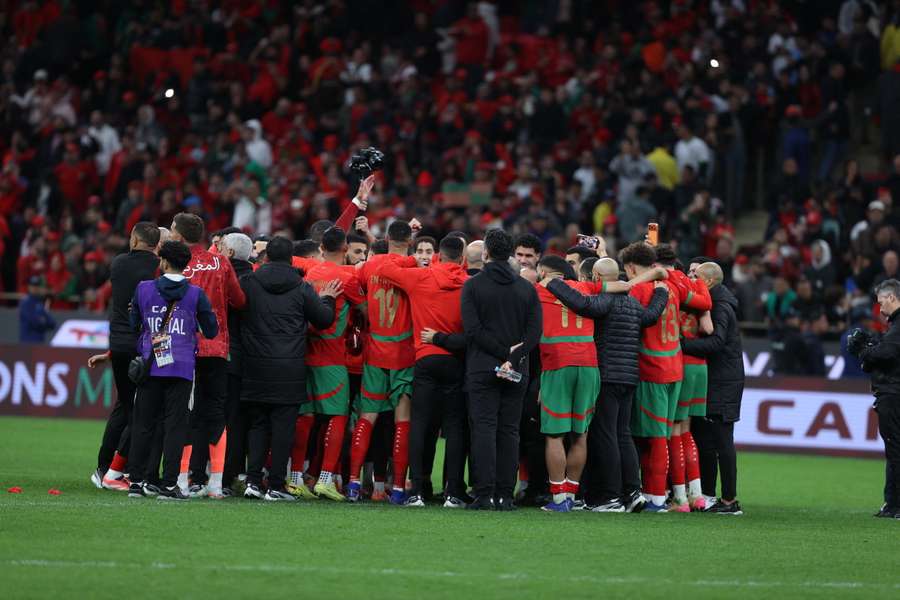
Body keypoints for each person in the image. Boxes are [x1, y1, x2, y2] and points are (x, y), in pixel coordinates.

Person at [547, 257, 668, 512]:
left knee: (606, 435)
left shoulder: (607, 300)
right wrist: (660, 295)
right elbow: (650, 317)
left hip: (607, 374)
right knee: (623, 434)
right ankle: (633, 492)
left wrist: (552, 283)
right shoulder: (633, 303)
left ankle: (610, 497)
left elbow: (584, 304)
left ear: (597, 279)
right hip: (629, 376)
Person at [239, 236, 341, 501]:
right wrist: (328, 299)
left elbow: (236, 310)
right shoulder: (301, 286)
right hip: (290, 366)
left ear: (267, 257)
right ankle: (275, 485)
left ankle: (252, 481)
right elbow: (324, 320)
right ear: (290, 259)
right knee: (284, 427)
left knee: (258, 425)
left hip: (255, 364)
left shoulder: (249, 283)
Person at [377, 235, 469, 508]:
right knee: (455, 428)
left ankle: (415, 490)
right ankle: (452, 492)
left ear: (438, 255)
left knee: (419, 424)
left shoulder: (420, 276)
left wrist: (413, 259)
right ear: (462, 259)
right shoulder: (468, 285)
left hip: (426, 359)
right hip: (456, 360)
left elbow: (382, 268)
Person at [127, 241, 218, 500]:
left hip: (150, 364)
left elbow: (134, 323)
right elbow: (211, 331)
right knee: (175, 428)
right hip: (181, 367)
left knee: (143, 424)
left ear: (164, 262)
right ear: (186, 265)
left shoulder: (143, 289)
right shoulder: (196, 294)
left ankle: (136, 481)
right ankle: (168, 485)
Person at [620, 241, 707, 512]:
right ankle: (679, 497)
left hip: (651, 370)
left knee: (654, 438)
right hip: (675, 368)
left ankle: (657, 497)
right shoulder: (672, 286)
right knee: (667, 434)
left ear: (631, 268)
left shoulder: (638, 290)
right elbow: (703, 302)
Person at [461, 229, 542, 510]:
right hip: (517, 368)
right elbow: (535, 333)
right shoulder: (526, 288)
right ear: (510, 255)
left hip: (483, 366)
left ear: (485, 254)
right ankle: (505, 496)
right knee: (509, 431)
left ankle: (484, 494)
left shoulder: (473, 286)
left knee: (484, 429)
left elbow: (472, 330)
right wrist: (514, 354)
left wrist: (499, 353)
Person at [170, 213, 246, 499]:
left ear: (177, 235)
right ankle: (215, 484)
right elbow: (239, 300)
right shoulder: (221, 262)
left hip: (184, 348)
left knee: (184, 413)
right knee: (215, 414)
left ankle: (181, 480)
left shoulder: (175, 263)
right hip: (216, 348)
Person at [346, 220, 417, 504]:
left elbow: (351, 283)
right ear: (410, 241)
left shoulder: (371, 265)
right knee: (402, 423)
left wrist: (364, 309)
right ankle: (398, 489)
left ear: (386, 238)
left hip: (375, 352)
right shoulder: (413, 267)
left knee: (366, 418)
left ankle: (352, 483)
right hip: (403, 354)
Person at [87, 222, 160, 491]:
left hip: (118, 344)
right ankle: (121, 471)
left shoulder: (118, 264)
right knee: (141, 411)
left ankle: (104, 467)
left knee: (125, 408)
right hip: (142, 344)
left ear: (134, 240)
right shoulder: (157, 268)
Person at [301, 227, 366, 501]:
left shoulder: (311, 274)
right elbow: (367, 311)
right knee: (338, 417)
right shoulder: (347, 277)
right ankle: (326, 480)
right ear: (345, 248)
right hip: (333, 357)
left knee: (306, 417)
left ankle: (296, 477)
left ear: (320, 248)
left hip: (307, 354)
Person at [533, 256, 600, 512]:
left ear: (546, 273)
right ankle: (572, 495)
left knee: (555, 434)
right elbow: (615, 283)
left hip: (557, 364)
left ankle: (559, 498)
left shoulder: (540, 290)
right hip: (589, 363)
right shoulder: (588, 288)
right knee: (580, 434)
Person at [681, 262, 745, 515]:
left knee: (722, 441)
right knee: (709, 440)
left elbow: (717, 341)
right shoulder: (717, 301)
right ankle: (709, 495)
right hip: (719, 378)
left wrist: (682, 345)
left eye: (695, 276)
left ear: (707, 281)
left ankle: (729, 501)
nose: (691, 279)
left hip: (724, 381)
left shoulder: (720, 305)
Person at [848, 279, 900, 519]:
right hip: (891, 391)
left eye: (881, 302)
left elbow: (885, 354)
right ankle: (891, 504)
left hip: (893, 394)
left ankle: (895, 505)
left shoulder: (898, 327)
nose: (880, 309)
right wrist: (870, 352)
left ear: (891, 298)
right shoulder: (894, 328)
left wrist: (864, 350)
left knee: (895, 450)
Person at [220, 233, 254, 495]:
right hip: (249, 359)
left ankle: (208, 474)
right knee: (240, 420)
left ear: (229, 253)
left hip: (221, 354)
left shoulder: (219, 278)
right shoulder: (256, 280)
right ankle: (233, 475)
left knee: (213, 417)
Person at [19, 276, 56, 343]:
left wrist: (42, 321)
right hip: (27, 341)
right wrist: (43, 321)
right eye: (33, 286)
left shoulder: (39, 302)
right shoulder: (26, 302)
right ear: (29, 287)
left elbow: (52, 323)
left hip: (39, 342)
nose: (35, 288)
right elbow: (34, 322)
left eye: (37, 286)